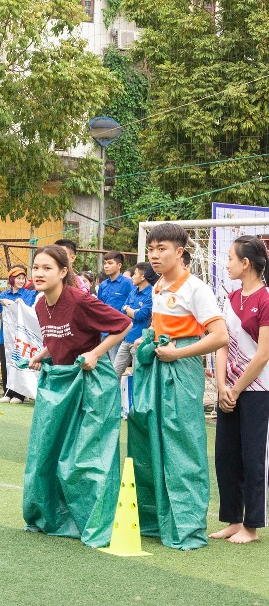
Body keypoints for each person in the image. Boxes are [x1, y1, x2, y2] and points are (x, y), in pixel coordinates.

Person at [23, 245, 131, 547]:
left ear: (63, 272)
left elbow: (123, 324)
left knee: (85, 456)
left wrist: (95, 353)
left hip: (92, 383)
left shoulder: (80, 299)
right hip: (61, 385)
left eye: (47, 268)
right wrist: (42, 354)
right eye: (36, 267)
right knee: (49, 451)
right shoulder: (40, 305)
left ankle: (93, 522)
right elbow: (60, 337)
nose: (39, 273)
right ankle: (52, 516)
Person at [130, 222, 227, 550]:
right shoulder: (157, 286)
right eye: (151, 250)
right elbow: (158, 327)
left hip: (181, 369)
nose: (154, 256)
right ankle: (157, 520)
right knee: (152, 438)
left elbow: (220, 336)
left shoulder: (196, 288)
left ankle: (186, 525)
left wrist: (178, 352)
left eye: (162, 249)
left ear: (180, 252)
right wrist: (147, 340)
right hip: (157, 367)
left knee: (183, 443)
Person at [212, 235, 269, 544]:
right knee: (226, 455)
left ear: (245, 263)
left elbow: (263, 355)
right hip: (229, 389)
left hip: (258, 390)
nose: (227, 264)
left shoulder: (266, 299)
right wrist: (222, 386)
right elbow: (222, 343)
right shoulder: (231, 297)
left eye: (231, 259)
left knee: (253, 457)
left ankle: (252, 525)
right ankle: (233, 520)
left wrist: (235, 389)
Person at [0, 266, 37, 403]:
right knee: (6, 363)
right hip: (5, 336)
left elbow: (27, 310)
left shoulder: (28, 294)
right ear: (12, 279)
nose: (21, 281)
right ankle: (7, 391)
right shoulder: (4, 294)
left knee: (19, 363)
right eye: (18, 278)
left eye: (23, 278)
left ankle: (19, 394)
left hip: (21, 336)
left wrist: (15, 304)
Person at [113, 261, 154, 378]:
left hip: (140, 342)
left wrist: (129, 310)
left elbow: (141, 315)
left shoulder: (151, 294)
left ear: (143, 277)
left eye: (135, 274)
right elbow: (122, 310)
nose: (132, 277)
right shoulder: (133, 292)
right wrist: (131, 311)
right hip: (126, 339)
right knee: (114, 373)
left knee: (139, 377)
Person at [96, 251, 133, 361]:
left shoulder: (128, 283)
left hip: (118, 331)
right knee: (103, 363)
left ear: (119, 265)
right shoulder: (103, 285)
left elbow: (132, 303)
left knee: (115, 364)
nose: (106, 266)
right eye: (105, 263)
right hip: (103, 330)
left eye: (110, 263)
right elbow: (99, 306)